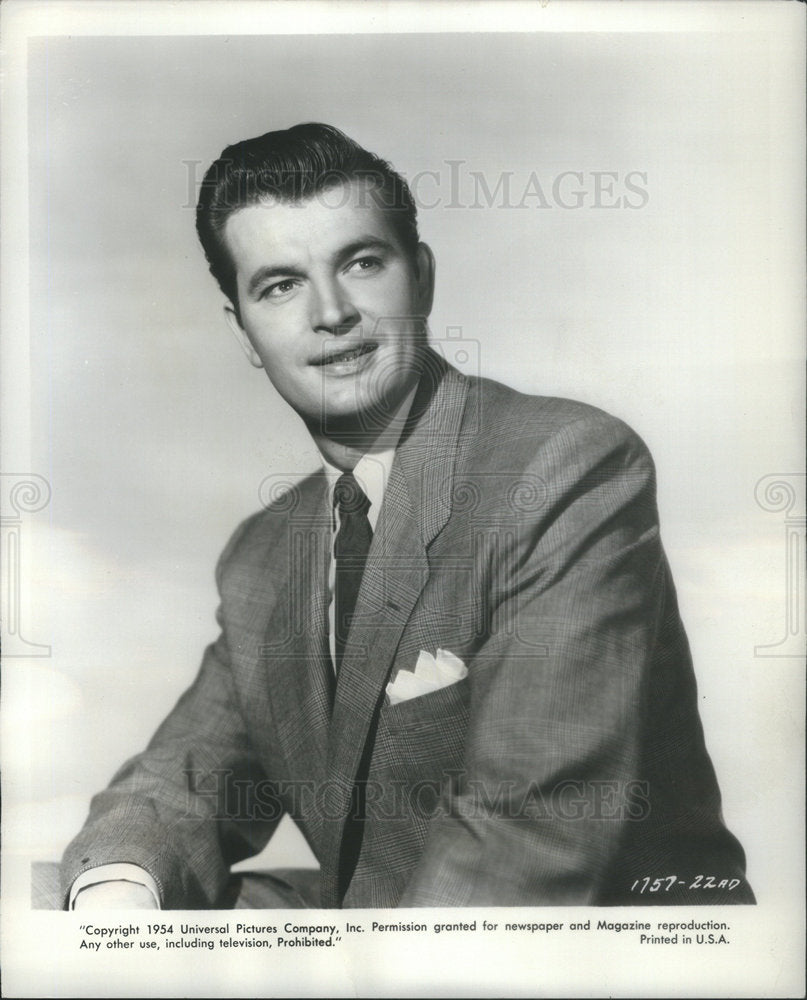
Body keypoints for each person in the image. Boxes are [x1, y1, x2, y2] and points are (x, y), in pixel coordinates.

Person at [59, 123, 754, 909]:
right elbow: (181, 782)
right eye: (280, 285)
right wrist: (118, 907)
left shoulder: (561, 467)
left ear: (419, 276)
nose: (330, 312)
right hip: (383, 942)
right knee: (72, 899)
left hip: (581, 958)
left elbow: (529, 845)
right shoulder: (263, 555)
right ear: (243, 331)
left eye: (360, 263)